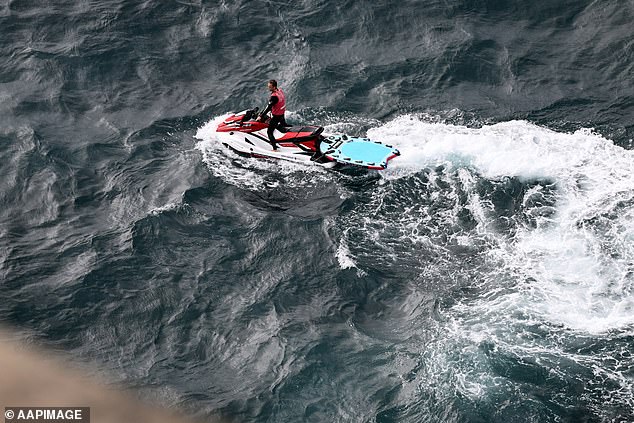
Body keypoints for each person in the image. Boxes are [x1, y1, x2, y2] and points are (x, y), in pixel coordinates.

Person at [258, 79, 287, 150]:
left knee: (269, 131)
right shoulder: (280, 91)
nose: (268, 88)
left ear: (274, 87)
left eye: (270, 87)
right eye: (268, 86)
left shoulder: (274, 97)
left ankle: (275, 148)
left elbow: (268, 108)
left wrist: (260, 116)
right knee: (284, 126)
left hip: (277, 116)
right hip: (282, 113)